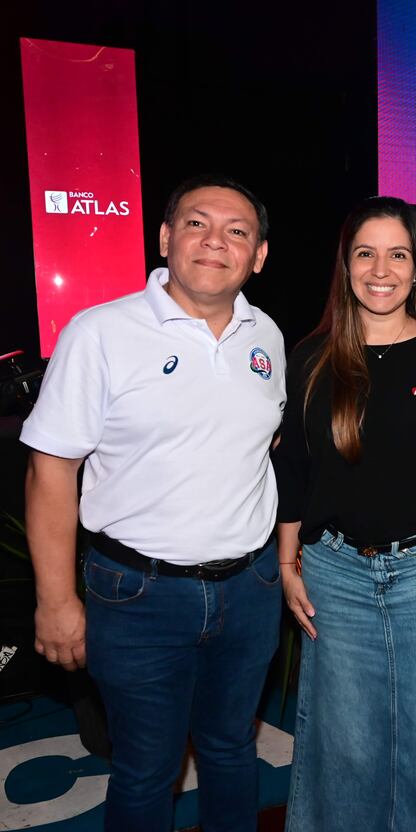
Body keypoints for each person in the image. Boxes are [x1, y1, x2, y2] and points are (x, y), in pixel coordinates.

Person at [21, 175, 285, 832]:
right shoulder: (100, 333)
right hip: (138, 597)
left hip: (250, 591)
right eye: (197, 223)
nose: (215, 241)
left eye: (237, 231)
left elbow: (265, 445)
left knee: (231, 750)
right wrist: (55, 601)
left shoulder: (268, 336)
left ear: (258, 256)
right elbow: (51, 469)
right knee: (145, 770)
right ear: (165, 238)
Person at [274, 196, 416, 832]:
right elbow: (294, 469)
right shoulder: (312, 358)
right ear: (346, 266)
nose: (381, 270)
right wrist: (288, 565)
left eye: (397, 254)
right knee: (346, 752)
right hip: (335, 577)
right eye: (366, 254)